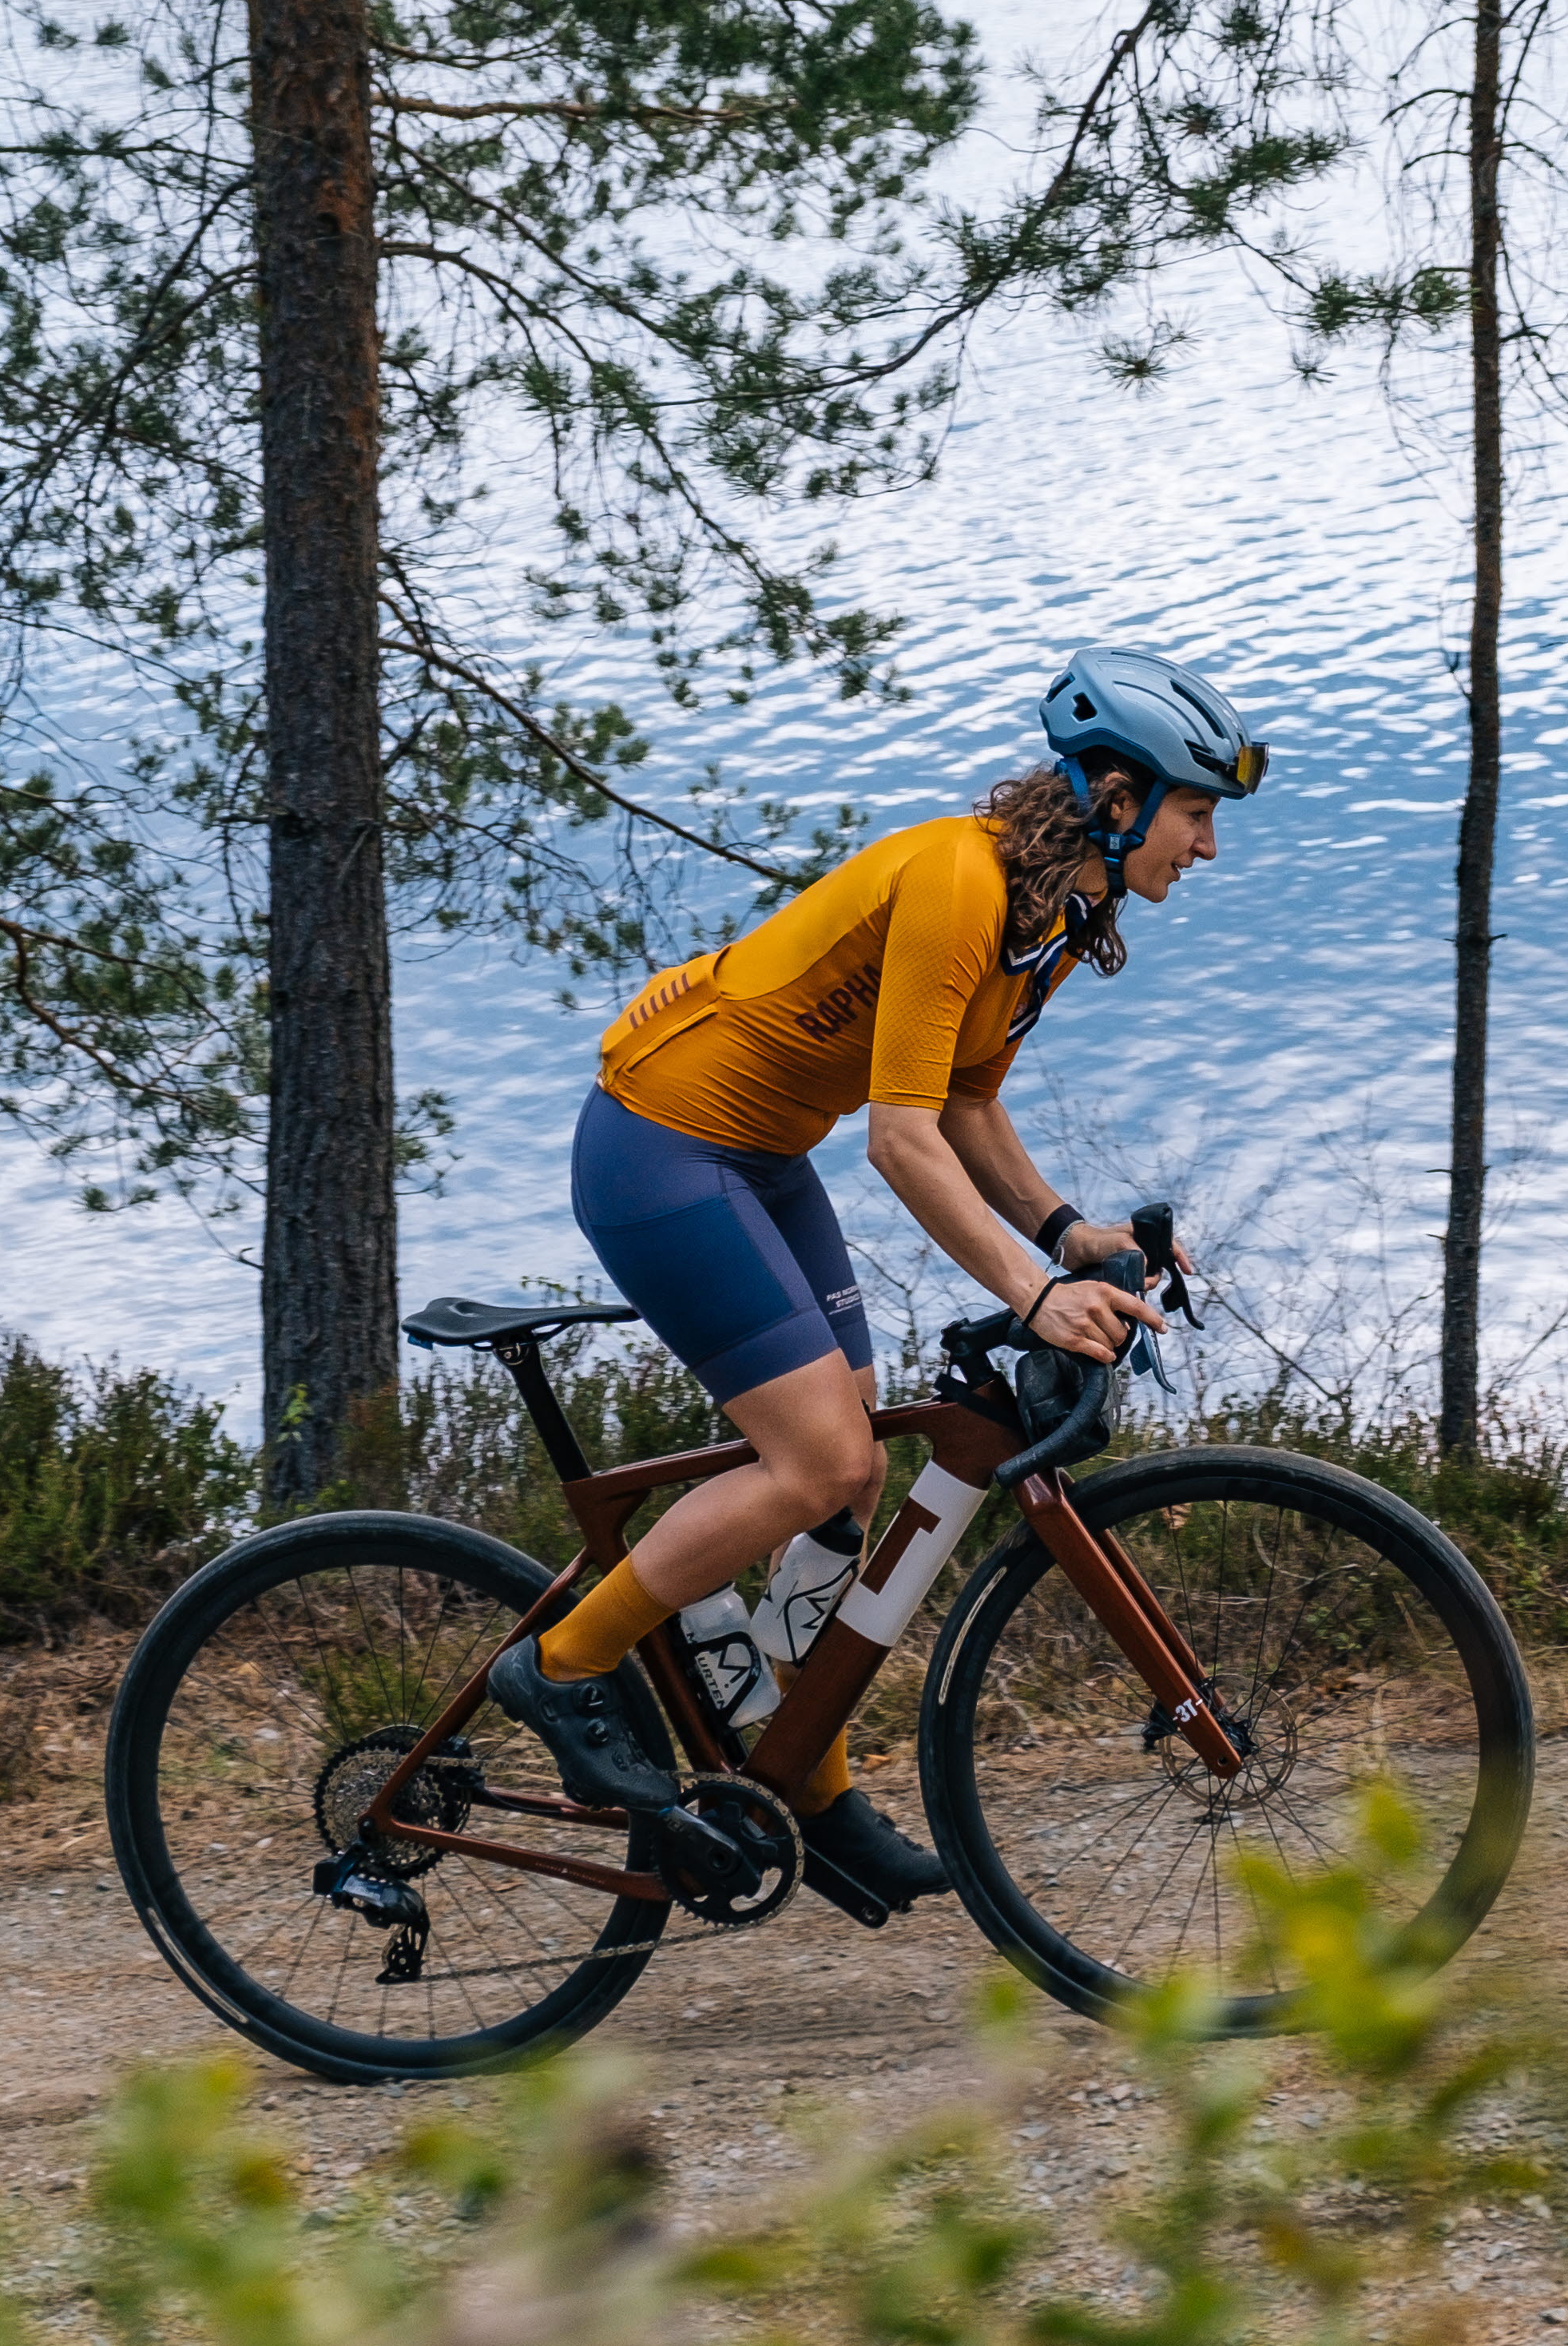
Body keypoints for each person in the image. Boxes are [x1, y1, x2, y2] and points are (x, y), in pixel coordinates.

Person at [488, 647, 1269, 1916]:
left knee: (852, 1457)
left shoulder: (1048, 918)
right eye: (1196, 813)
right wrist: (1033, 1295)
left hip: (758, 1152)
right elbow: (901, 1143)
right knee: (821, 1463)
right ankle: (565, 1664)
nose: (1209, 846)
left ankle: (807, 1780)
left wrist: (1069, 1233)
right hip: (661, 1142)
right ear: (1119, 798)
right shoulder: (961, 882)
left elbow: (966, 1104)